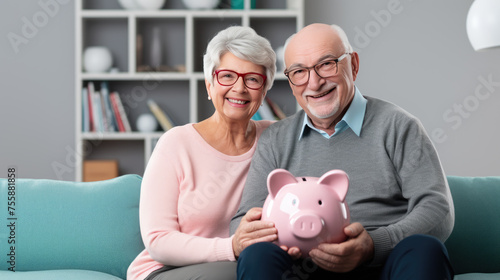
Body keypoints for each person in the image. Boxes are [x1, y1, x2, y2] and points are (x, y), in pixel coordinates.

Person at [229, 23, 455, 280]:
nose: (314, 83)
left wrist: (373, 245)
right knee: (257, 256)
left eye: (327, 64)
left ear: (354, 65)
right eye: (299, 71)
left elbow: (439, 210)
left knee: (426, 249)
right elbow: (242, 221)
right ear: (291, 82)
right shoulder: (275, 139)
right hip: (300, 269)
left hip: (383, 265)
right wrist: (259, 237)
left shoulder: (398, 126)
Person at [127, 25, 277, 280]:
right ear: (209, 85)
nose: (239, 88)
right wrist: (231, 247)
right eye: (227, 76)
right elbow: (158, 240)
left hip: (241, 266)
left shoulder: (276, 139)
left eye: (252, 79)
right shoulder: (176, 144)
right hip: (165, 269)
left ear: (264, 91)